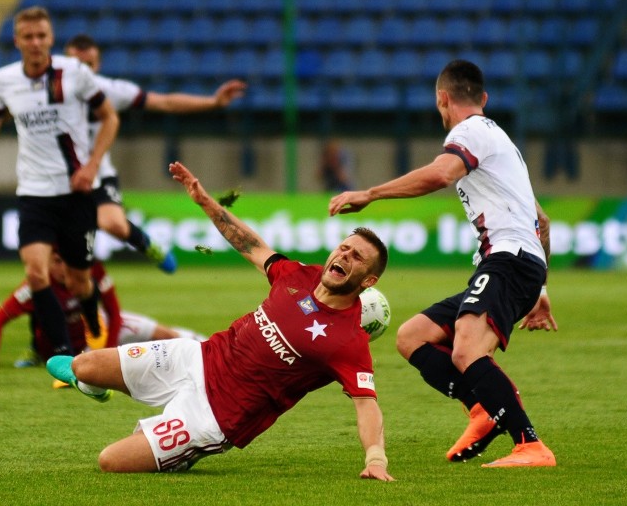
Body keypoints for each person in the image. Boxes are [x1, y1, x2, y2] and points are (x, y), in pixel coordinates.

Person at [45, 161, 394, 481]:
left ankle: (182, 451)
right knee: (85, 365)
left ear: (368, 281)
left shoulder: (348, 340)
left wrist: (376, 458)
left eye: (357, 257)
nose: (345, 255)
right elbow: (250, 244)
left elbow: (367, 405)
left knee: (111, 461)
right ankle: (90, 384)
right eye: (344, 248)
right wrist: (204, 201)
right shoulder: (298, 275)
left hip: (214, 417)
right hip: (197, 358)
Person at [328, 59, 558, 468]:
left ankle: (530, 445)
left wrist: (372, 193)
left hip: (507, 260)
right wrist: (539, 290)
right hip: (515, 263)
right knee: (412, 336)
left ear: (442, 98)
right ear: (484, 98)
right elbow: (542, 220)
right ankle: (483, 409)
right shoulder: (503, 144)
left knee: (466, 351)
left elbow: (440, 174)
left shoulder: (469, 132)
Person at [0, 6, 119, 359]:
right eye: (28, 37)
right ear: (17, 41)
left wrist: (92, 166)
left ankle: (93, 325)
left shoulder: (74, 73)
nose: (35, 43)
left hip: (76, 193)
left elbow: (109, 118)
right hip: (34, 193)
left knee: (79, 281)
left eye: (41, 36)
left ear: (51, 39)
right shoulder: (4, 80)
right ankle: (63, 355)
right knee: (36, 272)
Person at [64, 34, 248, 273]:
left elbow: (166, 102)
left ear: (97, 66)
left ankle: (147, 244)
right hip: (58, 177)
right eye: (76, 63)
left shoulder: (110, 90)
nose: (82, 70)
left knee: (113, 225)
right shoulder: (47, 93)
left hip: (97, 173)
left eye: (88, 64)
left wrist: (213, 102)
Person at [0, 253, 205, 372]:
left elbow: (114, 313)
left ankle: (205, 345)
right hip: (75, 349)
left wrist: (110, 351)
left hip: (98, 325)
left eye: (67, 260)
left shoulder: (91, 267)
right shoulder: (35, 285)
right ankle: (34, 352)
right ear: (48, 262)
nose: (63, 267)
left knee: (160, 333)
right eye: (57, 261)